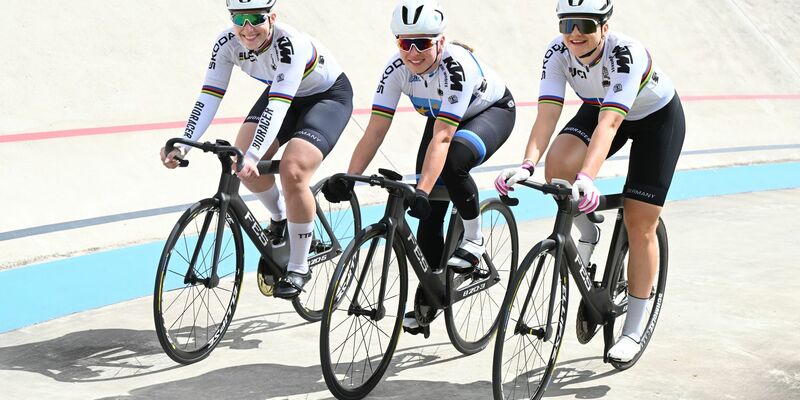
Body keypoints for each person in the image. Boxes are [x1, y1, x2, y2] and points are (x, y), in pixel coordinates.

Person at [496, 0, 685, 362]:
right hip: (601, 106)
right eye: (567, 25)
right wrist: (527, 164)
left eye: (584, 24)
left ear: (605, 25)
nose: (575, 33)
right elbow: (548, 114)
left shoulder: (624, 54)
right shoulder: (557, 52)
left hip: (655, 120)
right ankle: (588, 231)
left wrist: (588, 177)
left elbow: (611, 125)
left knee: (639, 221)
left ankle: (633, 329)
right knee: (557, 168)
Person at [323, 0, 516, 331]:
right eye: (404, 43)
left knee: (453, 163)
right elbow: (375, 131)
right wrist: (350, 177)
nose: (412, 52)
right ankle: (432, 292)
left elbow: (442, 140)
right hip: (443, 118)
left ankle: (474, 238)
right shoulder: (395, 70)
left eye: (422, 43)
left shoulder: (456, 69)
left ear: (440, 41)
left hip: (489, 113)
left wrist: (423, 189)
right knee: (427, 214)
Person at [160, 0, 354, 299]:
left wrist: (253, 156)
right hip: (282, 94)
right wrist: (185, 143)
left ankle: (299, 266)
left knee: (293, 170)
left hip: (325, 98)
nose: (247, 28)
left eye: (255, 18)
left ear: (272, 17)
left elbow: (277, 106)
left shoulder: (290, 43)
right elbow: (210, 94)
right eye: (239, 19)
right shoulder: (227, 42)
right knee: (240, 162)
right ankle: (280, 217)